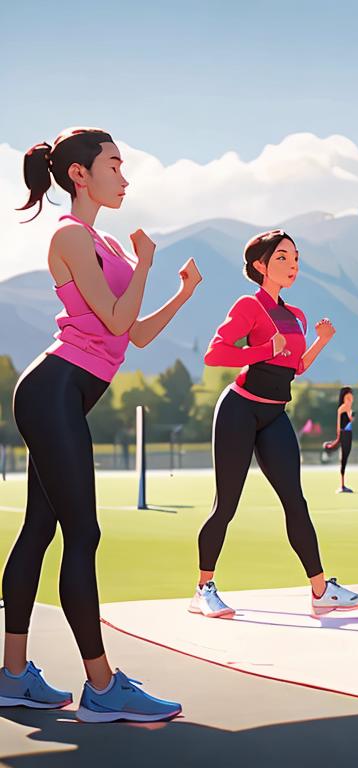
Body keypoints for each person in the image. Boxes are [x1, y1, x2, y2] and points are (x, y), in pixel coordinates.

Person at [1, 128, 196, 722]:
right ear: (80, 175)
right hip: (52, 391)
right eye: (114, 163)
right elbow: (113, 319)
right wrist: (146, 264)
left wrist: (181, 293)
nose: (125, 175)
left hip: (62, 397)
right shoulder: (69, 235)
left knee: (40, 530)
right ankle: (102, 687)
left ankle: (12, 677)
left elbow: (133, 334)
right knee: (82, 535)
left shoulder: (103, 241)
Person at [191, 230, 358, 619]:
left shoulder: (297, 316)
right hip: (239, 410)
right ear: (260, 266)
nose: (292, 266)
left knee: (296, 501)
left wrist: (320, 341)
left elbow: (295, 365)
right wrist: (260, 350)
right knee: (226, 505)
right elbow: (214, 354)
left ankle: (321, 591)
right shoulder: (248, 305)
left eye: (295, 259)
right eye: (282, 259)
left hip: (275, 413)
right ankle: (204, 588)